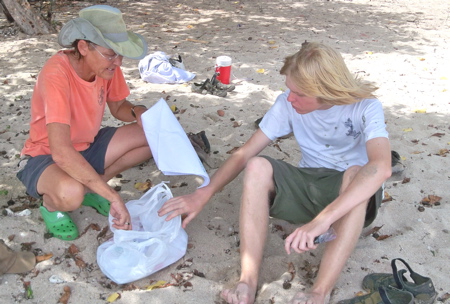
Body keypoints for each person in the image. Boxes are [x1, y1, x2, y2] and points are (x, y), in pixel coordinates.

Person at [158, 41, 392, 304]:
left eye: (299, 93)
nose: (290, 98)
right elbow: (244, 154)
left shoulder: (365, 107)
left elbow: (381, 167)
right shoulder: (287, 104)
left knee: (356, 172)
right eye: (289, 89)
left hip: (352, 198)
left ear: (326, 90)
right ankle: (247, 280)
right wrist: (204, 193)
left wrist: (322, 221)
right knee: (257, 165)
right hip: (309, 186)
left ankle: (320, 291)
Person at [16, 5, 152, 241]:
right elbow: (60, 152)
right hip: (45, 156)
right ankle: (50, 207)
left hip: (85, 147)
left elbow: (119, 107)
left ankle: (91, 188)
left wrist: (138, 112)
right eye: (111, 54)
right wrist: (113, 196)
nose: (117, 62)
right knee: (70, 194)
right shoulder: (56, 74)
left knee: (151, 135)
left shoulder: (106, 66)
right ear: (83, 47)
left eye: (119, 54)